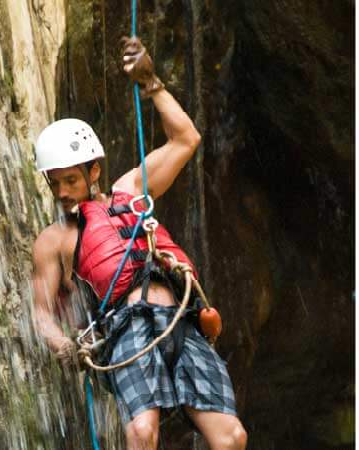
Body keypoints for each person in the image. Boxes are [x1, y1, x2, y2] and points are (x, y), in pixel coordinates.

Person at [31, 37, 248, 450]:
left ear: (93, 170)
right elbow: (42, 313)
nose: (62, 192)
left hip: (183, 322)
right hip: (125, 331)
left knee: (232, 437)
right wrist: (65, 346)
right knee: (141, 432)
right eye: (54, 183)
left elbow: (186, 139)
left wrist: (152, 83)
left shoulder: (130, 189)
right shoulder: (53, 240)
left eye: (71, 180)